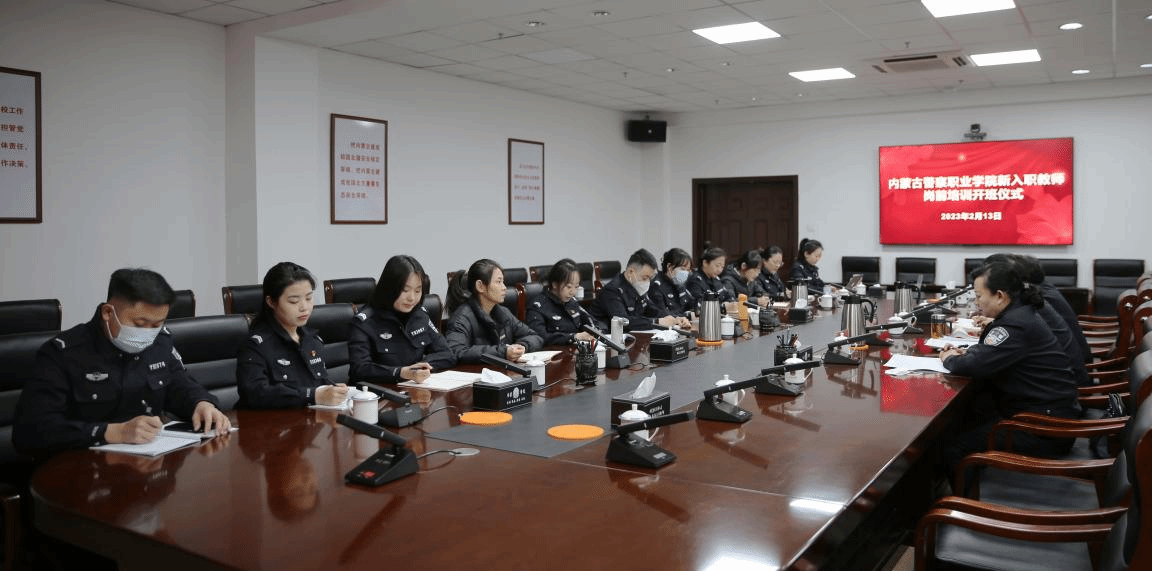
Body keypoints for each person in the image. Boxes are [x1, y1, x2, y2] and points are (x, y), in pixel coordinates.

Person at [13, 268, 230, 458]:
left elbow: (179, 384)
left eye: (157, 324)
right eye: (140, 324)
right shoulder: (64, 354)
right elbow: (31, 432)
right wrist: (112, 432)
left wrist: (201, 403)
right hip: (81, 470)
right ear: (108, 312)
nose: (148, 333)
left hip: (148, 468)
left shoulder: (160, 342)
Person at [939, 260, 1081, 477]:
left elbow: (973, 365)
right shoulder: (1019, 314)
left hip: (1044, 429)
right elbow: (989, 354)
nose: (976, 303)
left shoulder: (1015, 324)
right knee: (966, 418)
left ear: (999, 296)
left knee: (954, 447)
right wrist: (968, 354)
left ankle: (966, 498)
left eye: (979, 296)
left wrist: (949, 357)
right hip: (1043, 415)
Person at [236, 262, 348, 408]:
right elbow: (255, 393)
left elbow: (318, 382)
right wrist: (313, 395)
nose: (304, 307)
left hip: (309, 417)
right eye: (294, 301)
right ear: (271, 302)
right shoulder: (256, 346)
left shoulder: (312, 340)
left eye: (308, 298)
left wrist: (332, 391)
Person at [348, 255, 456, 384]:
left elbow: (447, 354)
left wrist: (420, 366)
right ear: (389, 288)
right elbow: (360, 369)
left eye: (418, 291)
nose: (412, 298)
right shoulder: (365, 322)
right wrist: (400, 372)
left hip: (413, 388)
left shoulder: (420, 315)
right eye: (405, 290)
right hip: (378, 392)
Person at [445, 258, 543, 363]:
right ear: (480, 286)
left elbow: (535, 337)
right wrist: (503, 352)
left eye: (503, 282)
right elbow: (456, 351)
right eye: (498, 282)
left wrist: (522, 346)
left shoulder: (503, 312)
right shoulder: (461, 318)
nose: (504, 287)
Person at [590, 248, 688, 331]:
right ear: (631, 272)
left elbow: (652, 310)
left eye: (649, 279)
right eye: (645, 278)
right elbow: (623, 322)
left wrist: (675, 318)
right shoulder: (612, 291)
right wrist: (657, 322)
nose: (647, 282)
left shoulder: (636, 287)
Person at [525, 259, 600, 346]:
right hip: (553, 352)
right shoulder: (537, 306)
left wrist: (595, 331)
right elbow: (539, 338)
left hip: (575, 349)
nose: (573, 292)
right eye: (569, 287)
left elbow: (590, 321)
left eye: (576, 287)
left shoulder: (571, 302)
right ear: (554, 284)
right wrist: (574, 337)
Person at [685, 247, 738, 313]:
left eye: (722, 267)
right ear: (705, 263)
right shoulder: (695, 280)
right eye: (717, 266)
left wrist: (731, 302)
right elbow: (699, 307)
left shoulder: (715, 278)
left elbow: (727, 296)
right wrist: (723, 307)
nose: (719, 270)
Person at [647, 248, 695, 318]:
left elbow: (692, 303)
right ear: (669, 267)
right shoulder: (656, 286)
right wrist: (686, 316)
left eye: (687, 270)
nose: (685, 273)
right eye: (682, 269)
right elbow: (662, 315)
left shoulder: (679, 283)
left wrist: (692, 312)